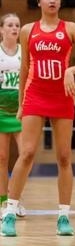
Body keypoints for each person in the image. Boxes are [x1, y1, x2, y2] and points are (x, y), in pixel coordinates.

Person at [1, 0, 75, 238]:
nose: (52, 0)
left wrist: (71, 70)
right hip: (35, 95)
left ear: (59, 3)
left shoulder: (71, 29)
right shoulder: (27, 30)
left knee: (65, 157)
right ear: (40, 2)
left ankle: (63, 216)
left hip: (62, 97)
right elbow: (24, 70)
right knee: (27, 153)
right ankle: (9, 211)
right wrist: (21, 103)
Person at [0, 14, 26, 219]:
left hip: (21, 111)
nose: (14, 28)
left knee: (25, 155)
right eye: (10, 25)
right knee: (2, 158)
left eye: (17, 25)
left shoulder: (25, 52)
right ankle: (3, 202)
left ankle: (16, 200)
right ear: (1, 29)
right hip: (1, 111)